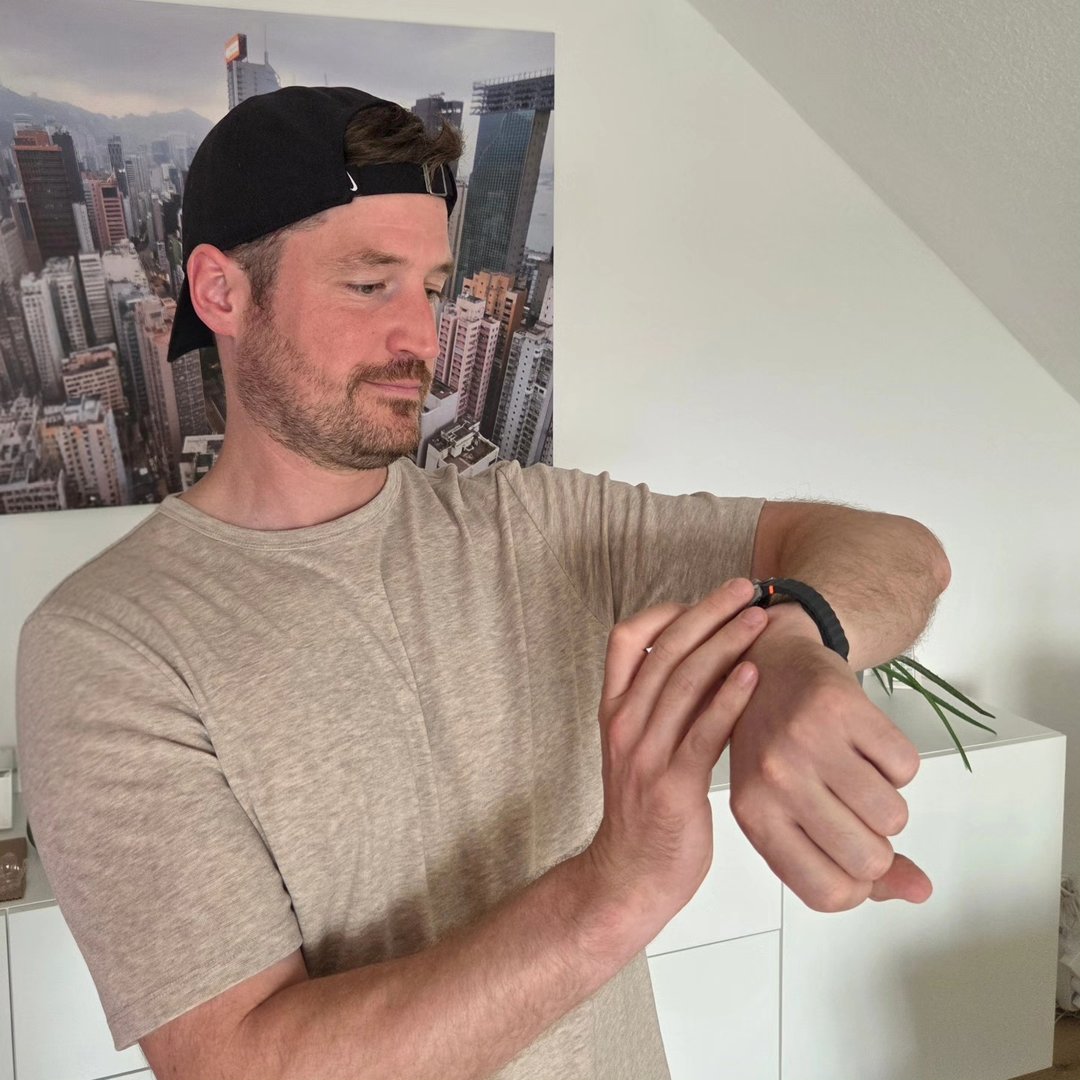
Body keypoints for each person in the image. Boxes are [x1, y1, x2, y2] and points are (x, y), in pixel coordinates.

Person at [15, 86, 951, 1080]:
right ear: (222, 293)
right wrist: (619, 888)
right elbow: (238, 1064)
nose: (421, 338)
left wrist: (797, 637)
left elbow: (903, 555)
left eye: (431, 288)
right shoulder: (107, 648)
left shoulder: (536, 525)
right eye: (369, 286)